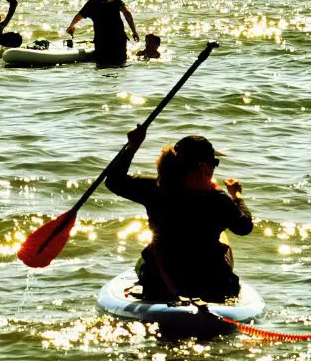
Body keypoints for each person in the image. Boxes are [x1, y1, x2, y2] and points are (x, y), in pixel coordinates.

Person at [105, 126, 253, 302]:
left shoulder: (155, 189)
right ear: (203, 167)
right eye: (214, 163)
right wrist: (236, 196)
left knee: (148, 255)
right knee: (224, 241)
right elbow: (244, 227)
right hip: (212, 284)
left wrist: (132, 146)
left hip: (159, 281)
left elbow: (113, 181)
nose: (214, 169)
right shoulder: (217, 199)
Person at [66, 0, 139, 65]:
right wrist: (134, 31)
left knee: (102, 65)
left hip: (102, 40)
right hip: (119, 38)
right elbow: (127, 14)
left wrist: (71, 27)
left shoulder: (92, 3)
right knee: (121, 63)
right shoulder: (115, 0)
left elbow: (78, 17)